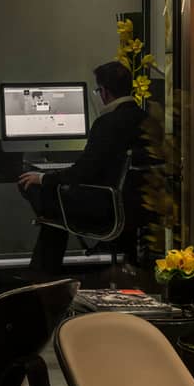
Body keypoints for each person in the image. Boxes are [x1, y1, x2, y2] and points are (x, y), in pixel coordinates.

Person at [17, 61, 148, 277]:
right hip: (136, 208)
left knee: (34, 187)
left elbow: (83, 172)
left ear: (104, 92)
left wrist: (44, 178)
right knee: (53, 210)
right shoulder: (147, 120)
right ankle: (41, 271)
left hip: (104, 207)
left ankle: (43, 274)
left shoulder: (106, 123)